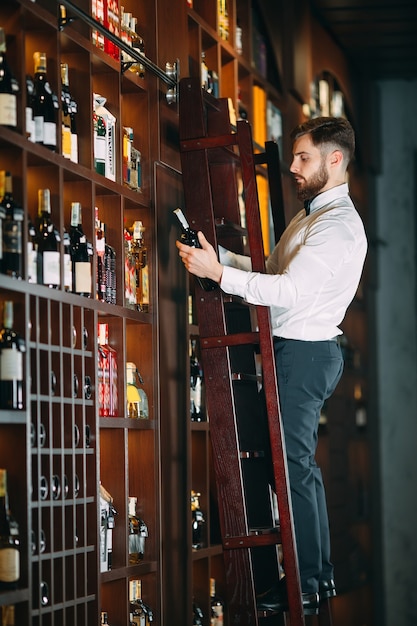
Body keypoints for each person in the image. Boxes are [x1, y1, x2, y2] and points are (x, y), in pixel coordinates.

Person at [176, 116, 367, 615]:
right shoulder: (311, 217)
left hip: (303, 354)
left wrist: (217, 274)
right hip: (299, 351)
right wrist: (220, 258)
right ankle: (312, 580)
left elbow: (287, 292)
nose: (293, 168)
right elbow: (274, 274)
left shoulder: (336, 227)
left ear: (335, 160)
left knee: (293, 466)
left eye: (303, 158)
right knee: (292, 465)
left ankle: (306, 583)